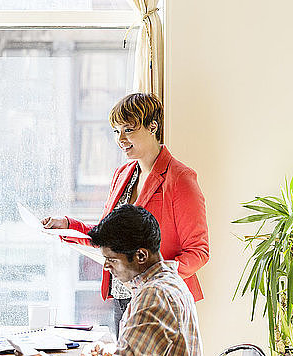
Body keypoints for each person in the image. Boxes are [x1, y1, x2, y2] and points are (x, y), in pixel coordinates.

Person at [42, 93, 209, 335]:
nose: (120, 139)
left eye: (128, 129)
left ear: (153, 126)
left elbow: (199, 252)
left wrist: (154, 278)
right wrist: (67, 225)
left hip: (160, 301)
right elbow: (107, 237)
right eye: (116, 131)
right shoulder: (123, 174)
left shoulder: (181, 179)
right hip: (122, 296)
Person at [18, 205, 204, 356]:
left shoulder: (155, 295)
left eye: (112, 259)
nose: (106, 266)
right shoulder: (167, 282)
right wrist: (117, 350)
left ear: (141, 256)